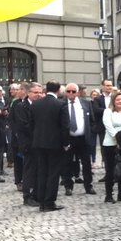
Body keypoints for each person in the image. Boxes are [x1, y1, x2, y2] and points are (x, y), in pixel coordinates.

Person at [31, 81, 69, 212]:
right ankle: (49, 202)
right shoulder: (61, 104)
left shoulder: (36, 104)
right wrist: (66, 143)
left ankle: (41, 200)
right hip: (55, 144)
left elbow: (31, 124)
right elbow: (65, 126)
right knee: (53, 173)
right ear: (58, 90)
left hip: (39, 143)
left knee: (42, 172)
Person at [61, 84, 96, 196]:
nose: (71, 93)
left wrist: (90, 132)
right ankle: (68, 186)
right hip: (68, 138)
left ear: (77, 92)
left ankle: (88, 186)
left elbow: (91, 120)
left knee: (86, 163)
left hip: (83, 138)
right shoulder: (61, 104)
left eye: (73, 91)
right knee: (67, 163)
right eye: (68, 91)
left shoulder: (86, 103)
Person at [16, 83, 43, 206]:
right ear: (28, 93)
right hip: (28, 143)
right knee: (29, 170)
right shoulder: (21, 106)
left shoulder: (41, 105)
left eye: (40, 92)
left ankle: (37, 194)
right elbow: (23, 126)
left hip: (40, 143)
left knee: (39, 169)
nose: (38, 95)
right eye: (35, 93)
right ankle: (27, 196)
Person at [102, 90, 121, 203]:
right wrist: (117, 137)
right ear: (113, 101)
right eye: (118, 99)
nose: (120, 101)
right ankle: (109, 195)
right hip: (110, 143)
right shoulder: (108, 111)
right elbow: (107, 125)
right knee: (111, 170)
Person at [8, 84, 28, 190]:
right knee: (18, 160)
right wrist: (16, 132)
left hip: (28, 138)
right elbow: (11, 119)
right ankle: (18, 181)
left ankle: (28, 180)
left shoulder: (31, 102)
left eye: (20, 89)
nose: (18, 91)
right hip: (17, 139)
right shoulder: (15, 103)